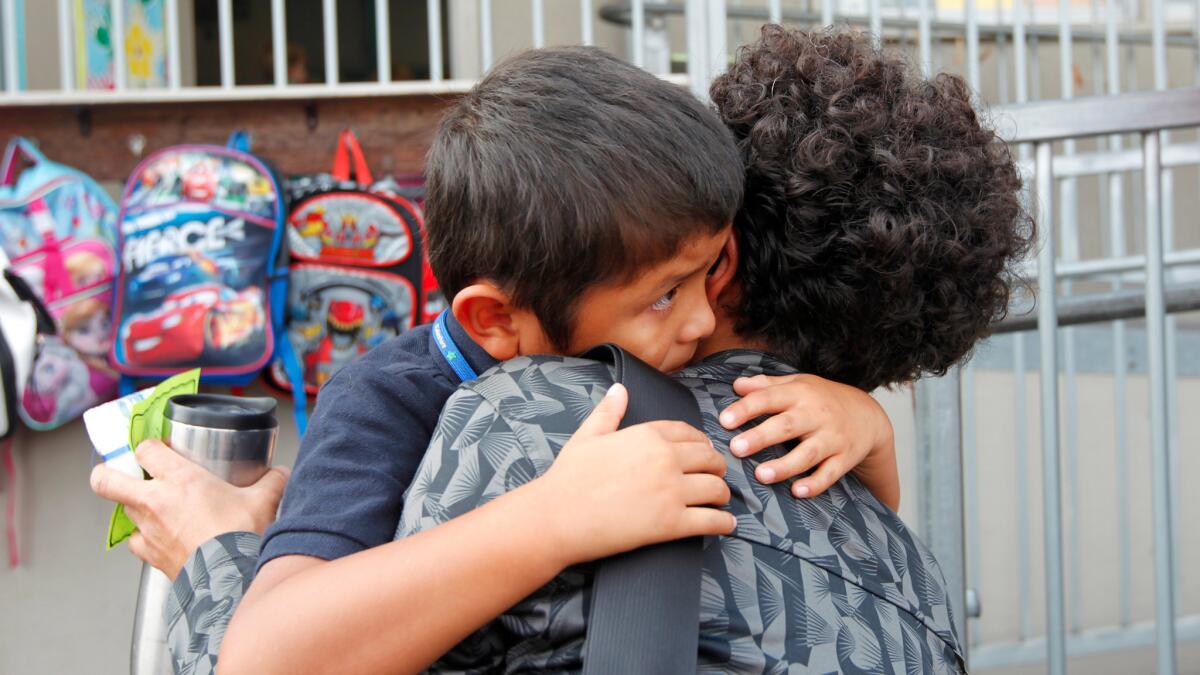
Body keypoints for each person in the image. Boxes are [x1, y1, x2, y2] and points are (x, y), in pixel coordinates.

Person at [93, 45, 898, 674]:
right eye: (664, 294)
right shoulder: (385, 402)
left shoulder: (678, 363)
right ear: (497, 319)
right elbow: (272, 650)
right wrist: (551, 518)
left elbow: (858, 556)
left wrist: (869, 431)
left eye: (711, 271)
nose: (701, 319)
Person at [386, 27, 1031, 672]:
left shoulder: (526, 415)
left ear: (726, 252)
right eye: (667, 292)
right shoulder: (913, 573)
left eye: (695, 276)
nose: (692, 319)